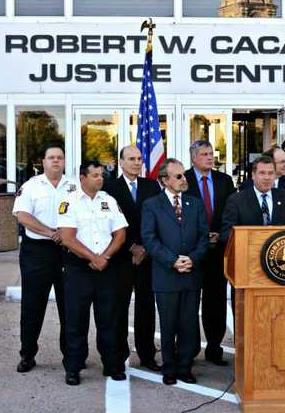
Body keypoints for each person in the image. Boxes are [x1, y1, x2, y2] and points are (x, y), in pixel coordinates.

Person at [57, 161, 128, 386]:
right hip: (79, 269)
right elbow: (67, 238)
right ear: (82, 178)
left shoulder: (108, 200)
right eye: (95, 175)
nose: (100, 178)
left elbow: (120, 234)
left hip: (106, 267)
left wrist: (104, 257)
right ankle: (73, 368)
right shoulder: (69, 202)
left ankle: (112, 364)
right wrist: (92, 258)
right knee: (76, 321)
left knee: (109, 319)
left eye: (102, 175)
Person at [141, 158, 209, 385]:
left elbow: (203, 237)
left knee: (189, 323)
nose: (184, 179)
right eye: (178, 176)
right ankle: (169, 368)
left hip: (191, 273)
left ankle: (185, 366)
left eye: (184, 175)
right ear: (164, 180)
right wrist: (172, 261)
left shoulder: (195, 203)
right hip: (166, 275)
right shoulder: (152, 205)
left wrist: (192, 259)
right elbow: (149, 239)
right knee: (168, 323)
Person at [12, 145, 77, 373]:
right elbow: (22, 216)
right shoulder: (31, 186)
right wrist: (51, 232)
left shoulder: (75, 186)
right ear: (44, 161)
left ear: (64, 161)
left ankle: (71, 356)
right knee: (32, 307)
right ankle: (27, 355)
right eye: (51, 157)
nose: (56, 161)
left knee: (69, 307)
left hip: (68, 252)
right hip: (37, 252)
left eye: (60, 157)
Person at [104, 145, 162, 373]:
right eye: (131, 159)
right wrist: (131, 247)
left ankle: (147, 355)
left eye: (139, 159)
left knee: (146, 309)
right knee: (118, 308)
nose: (137, 163)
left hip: (147, 258)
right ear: (121, 162)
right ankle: (118, 356)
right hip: (121, 258)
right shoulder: (110, 188)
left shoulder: (151, 185)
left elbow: (159, 219)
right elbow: (106, 222)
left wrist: (145, 247)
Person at [184, 140, 236, 366]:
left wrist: (219, 234)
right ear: (193, 158)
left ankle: (214, 347)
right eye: (204, 154)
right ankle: (190, 348)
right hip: (192, 251)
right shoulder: (182, 179)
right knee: (190, 301)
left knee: (215, 302)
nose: (209, 157)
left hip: (218, 250)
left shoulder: (225, 180)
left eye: (211, 153)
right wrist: (202, 236)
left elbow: (232, 211)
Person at [221, 155, 285, 245]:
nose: (267, 177)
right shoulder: (237, 200)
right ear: (253, 176)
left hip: (280, 255)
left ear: (275, 175)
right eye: (262, 173)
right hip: (248, 254)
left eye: (270, 173)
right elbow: (226, 235)